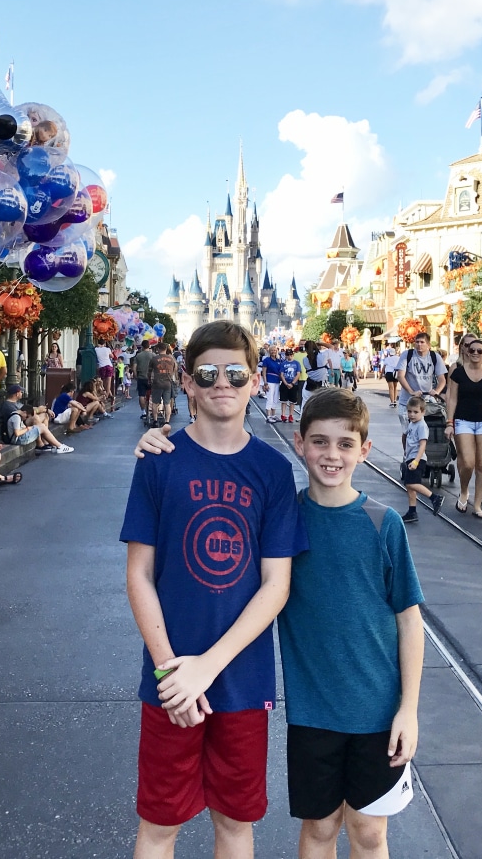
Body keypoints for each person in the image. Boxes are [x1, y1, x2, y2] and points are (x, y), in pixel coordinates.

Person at [121, 320, 307, 859]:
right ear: (187, 381)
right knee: (160, 826)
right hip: (170, 680)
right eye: (207, 373)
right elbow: (139, 574)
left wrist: (208, 665)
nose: (221, 383)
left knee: (235, 824)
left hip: (241, 682)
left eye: (235, 372)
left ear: (254, 380)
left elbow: (276, 585)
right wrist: (170, 669)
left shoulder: (272, 471)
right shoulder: (159, 462)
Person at [279, 388, 424, 859]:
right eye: (319, 442)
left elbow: (409, 620)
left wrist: (409, 710)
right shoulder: (284, 522)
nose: (331, 454)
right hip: (312, 713)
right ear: (300, 443)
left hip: (376, 713)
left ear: (364, 450)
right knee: (319, 831)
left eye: (345, 444)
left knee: (368, 833)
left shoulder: (383, 524)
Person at [445, 338, 482, 519]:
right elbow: (452, 398)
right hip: (463, 420)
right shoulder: (458, 373)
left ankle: (477, 505)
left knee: (481, 464)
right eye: (472, 351)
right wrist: (449, 422)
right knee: (468, 463)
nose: (476, 354)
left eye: (480, 351)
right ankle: (464, 492)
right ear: (467, 352)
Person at [396, 333, 447, 450]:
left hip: (426, 400)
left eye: (422, 342)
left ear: (428, 344)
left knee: (426, 429)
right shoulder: (407, 355)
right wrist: (411, 391)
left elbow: (442, 379)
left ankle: (426, 453)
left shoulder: (434, 357)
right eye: (417, 342)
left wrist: (436, 391)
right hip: (408, 400)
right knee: (407, 431)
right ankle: (407, 454)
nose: (419, 344)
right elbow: (401, 376)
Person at [400, 396, 444, 523]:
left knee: (411, 483)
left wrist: (416, 461)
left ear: (423, 412)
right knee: (410, 487)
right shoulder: (412, 424)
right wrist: (405, 451)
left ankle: (434, 497)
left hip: (417, 459)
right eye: (409, 412)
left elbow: (423, 444)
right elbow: (405, 437)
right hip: (410, 457)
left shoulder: (422, 426)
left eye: (415, 412)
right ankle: (412, 511)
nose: (412, 415)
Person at [1, 384, 74, 454]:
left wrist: (46, 410)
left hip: (22, 426)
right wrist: (29, 427)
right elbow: (17, 428)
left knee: (44, 415)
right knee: (36, 418)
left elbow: (29, 409)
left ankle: (45, 442)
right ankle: (42, 444)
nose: (22, 393)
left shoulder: (17, 403)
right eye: (20, 392)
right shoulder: (9, 406)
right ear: (16, 394)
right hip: (20, 428)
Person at [148, 343, 178, 425]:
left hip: (157, 383)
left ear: (158, 349)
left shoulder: (154, 359)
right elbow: (174, 370)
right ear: (166, 349)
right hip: (167, 383)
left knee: (155, 403)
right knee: (167, 403)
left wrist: (149, 381)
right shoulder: (171, 359)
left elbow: (150, 372)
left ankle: (155, 420)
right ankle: (167, 421)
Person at [301, 339, 330, 406]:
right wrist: (321, 344)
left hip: (310, 384)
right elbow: (331, 347)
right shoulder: (323, 356)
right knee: (322, 405)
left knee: (305, 403)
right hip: (322, 384)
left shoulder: (305, 360)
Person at [261, 344, 283, 423]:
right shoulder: (266, 360)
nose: (273, 351)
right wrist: (265, 382)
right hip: (270, 381)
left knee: (275, 398)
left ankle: (273, 415)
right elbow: (264, 372)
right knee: (270, 398)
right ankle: (268, 416)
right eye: (272, 350)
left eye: (274, 350)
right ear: (269, 351)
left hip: (277, 381)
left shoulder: (279, 360)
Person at [133, 340, 154, 420]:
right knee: (153, 394)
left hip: (141, 377)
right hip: (151, 378)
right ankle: (153, 410)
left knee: (141, 395)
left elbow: (134, 367)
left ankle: (143, 412)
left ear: (142, 346)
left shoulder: (138, 356)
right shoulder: (153, 355)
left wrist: (135, 376)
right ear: (149, 346)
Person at [279, 347, 301, 422]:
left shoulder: (297, 363)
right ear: (286, 355)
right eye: (288, 355)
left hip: (293, 384)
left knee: (292, 401)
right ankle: (283, 414)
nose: (289, 356)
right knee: (284, 400)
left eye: (290, 354)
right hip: (285, 383)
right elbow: (281, 374)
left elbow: (298, 374)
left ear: (293, 355)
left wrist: (292, 383)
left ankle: (291, 415)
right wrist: (286, 383)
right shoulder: (283, 364)